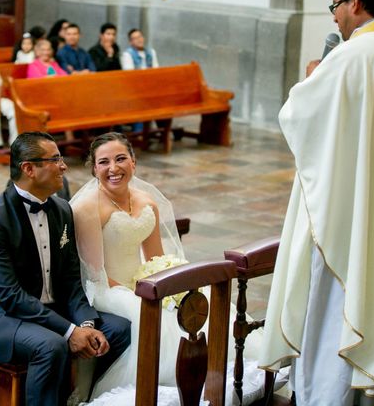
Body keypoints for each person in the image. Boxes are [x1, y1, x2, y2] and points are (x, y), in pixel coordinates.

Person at [257, 0, 374, 405]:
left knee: (333, 302)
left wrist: (315, 76)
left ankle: (324, 396)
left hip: (347, 215)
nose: (334, 16)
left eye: (335, 5)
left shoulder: (354, 55)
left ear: (355, 2)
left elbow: (298, 115)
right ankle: (370, 390)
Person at [70, 132, 265, 400]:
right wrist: (141, 291)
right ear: (94, 169)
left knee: (196, 302)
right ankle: (166, 390)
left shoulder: (146, 202)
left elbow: (155, 259)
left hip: (143, 280)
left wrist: (170, 288)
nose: (113, 168)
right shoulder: (87, 208)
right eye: (103, 162)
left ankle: (216, 378)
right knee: (155, 317)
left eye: (120, 159)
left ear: (133, 162)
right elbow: (94, 272)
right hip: (106, 287)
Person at [0, 132, 131, 405]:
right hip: (2, 318)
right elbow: (9, 295)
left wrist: (84, 324)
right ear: (28, 168)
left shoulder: (61, 209)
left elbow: (72, 279)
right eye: (55, 159)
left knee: (118, 328)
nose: (64, 166)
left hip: (50, 310)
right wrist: (71, 332)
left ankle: (82, 398)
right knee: (51, 345)